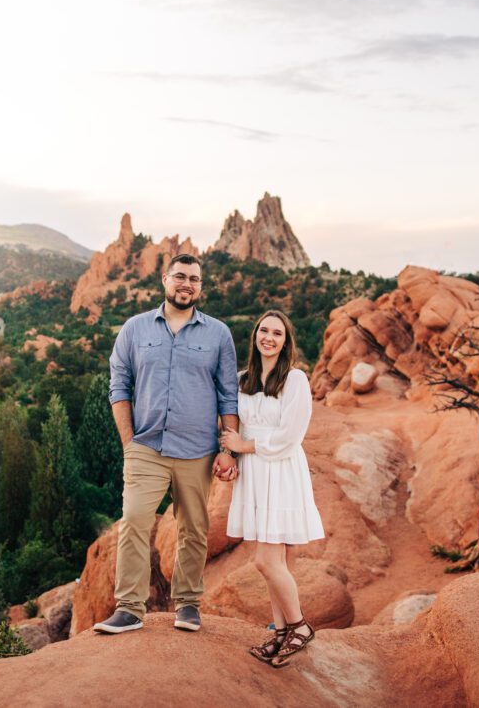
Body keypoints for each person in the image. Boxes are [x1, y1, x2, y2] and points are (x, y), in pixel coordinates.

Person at [94, 253, 239, 634]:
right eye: (180, 276)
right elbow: (118, 386)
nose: (186, 284)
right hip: (146, 447)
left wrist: (227, 448)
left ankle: (188, 605)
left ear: (200, 286)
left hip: (198, 450)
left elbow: (229, 395)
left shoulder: (218, 334)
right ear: (164, 279)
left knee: (194, 527)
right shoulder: (134, 329)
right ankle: (129, 608)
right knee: (135, 523)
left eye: (194, 278)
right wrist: (129, 442)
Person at [219, 310, 324, 667]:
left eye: (277, 333)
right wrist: (228, 452)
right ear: (255, 336)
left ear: (285, 341)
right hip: (254, 475)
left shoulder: (295, 379)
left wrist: (242, 447)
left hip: (280, 471)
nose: (269, 337)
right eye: (263, 330)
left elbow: (290, 437)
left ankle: (299, 627)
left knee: (266, 561)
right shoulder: (242, 379)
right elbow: (230, 426)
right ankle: (281, 634)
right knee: (276, 561)